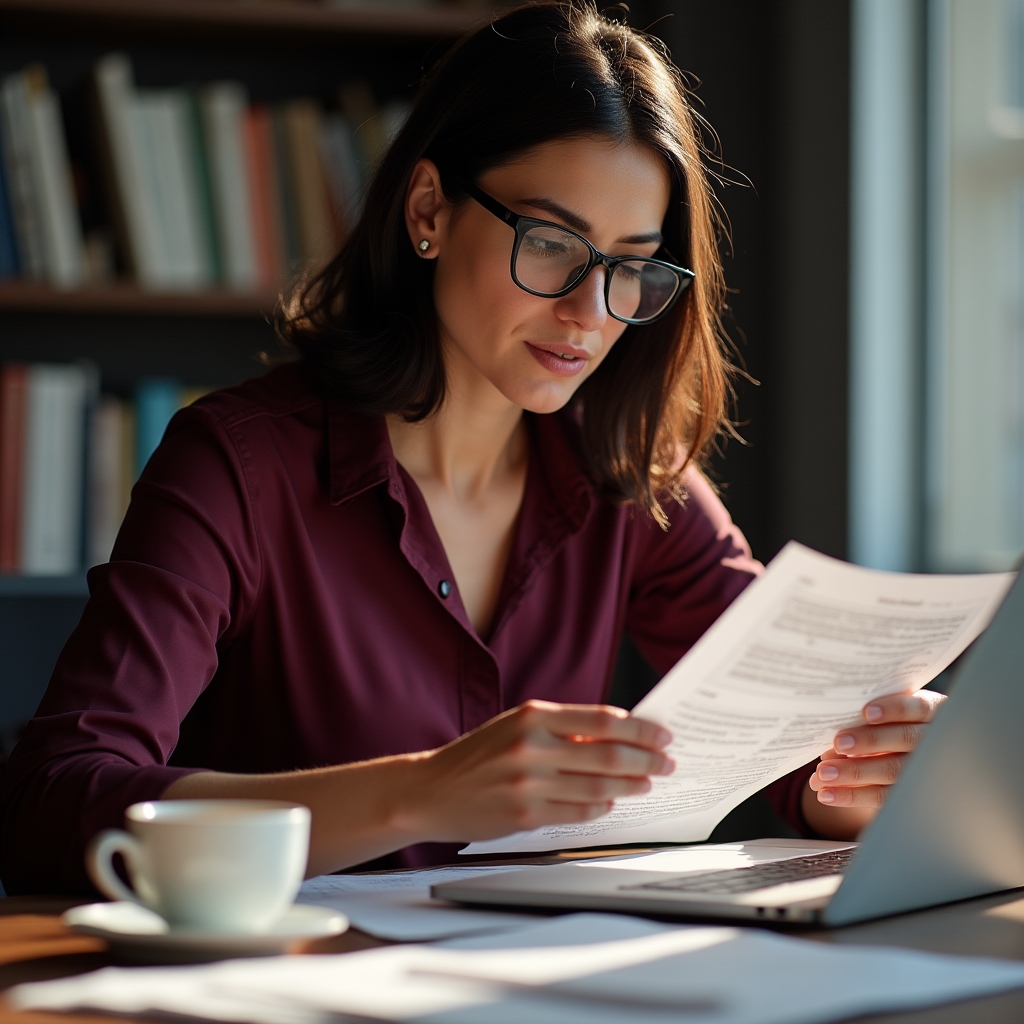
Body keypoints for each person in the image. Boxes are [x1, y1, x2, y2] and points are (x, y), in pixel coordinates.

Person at [0, 1, 943, 894]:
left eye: (632, 267)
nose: (588, 311)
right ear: (427, 212)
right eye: (550, 242)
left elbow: (786, 754)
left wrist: (854, 781)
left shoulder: (632, 476)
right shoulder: (238, 465)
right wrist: (420, 792)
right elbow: (51, 805)